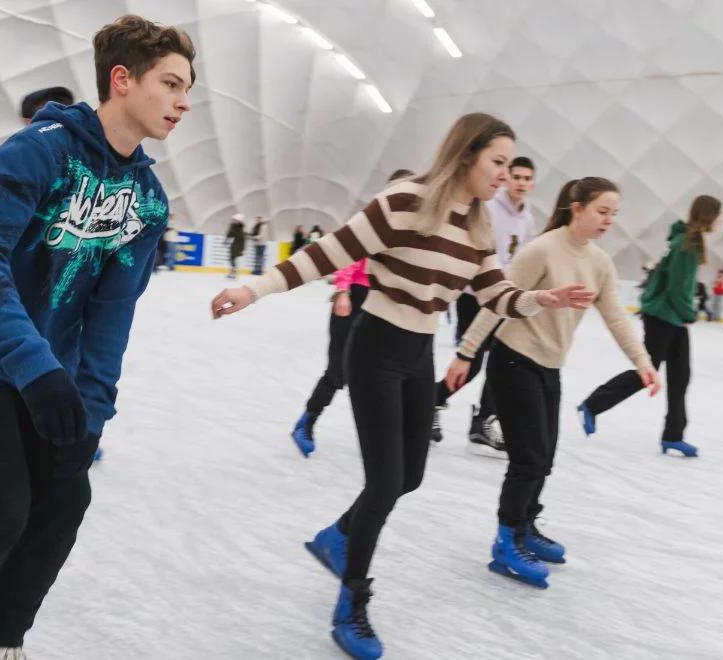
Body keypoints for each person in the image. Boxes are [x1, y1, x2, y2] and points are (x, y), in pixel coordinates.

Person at [210, 113, 592, 660]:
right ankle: (353, 602)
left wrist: (541, 300)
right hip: (375, 347)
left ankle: (338, 536)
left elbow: (495, 294)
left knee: (409, 476)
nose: (506, 176)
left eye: (511, 165)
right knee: (386, 481)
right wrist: (256, 289)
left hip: (418, 354)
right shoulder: (404, 202)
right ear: (466, 156)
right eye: (498, 163)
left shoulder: (478, 225)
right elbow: (329, 252)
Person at [0, 15, 195, 659]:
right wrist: (33, 365)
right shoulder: (40, 150)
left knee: (64, 501)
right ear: (122, 80)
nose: (183, 101)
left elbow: (112, 315)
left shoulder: (145, 200)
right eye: (170, 83)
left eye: (186, 87)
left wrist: (91, 410)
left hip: (46, 372)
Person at [446, 177, 661, 587]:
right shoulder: (542, 249)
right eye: (602, 211)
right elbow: (496, 301)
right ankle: (506, 542)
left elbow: (616, 316)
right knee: (528, 459)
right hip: (513, 361)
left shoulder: (599, 261)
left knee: (543, 456)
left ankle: (525, 526)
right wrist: (466, 352)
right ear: (576, 208)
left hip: (549, 366)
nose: (608, 220)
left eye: (614, 213)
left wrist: (642, 362)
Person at [576, 195, 723, 458]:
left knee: (680, 376)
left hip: (671, 317)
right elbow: (677, 288)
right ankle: (592, 405)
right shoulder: (687, 245)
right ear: (709, 215)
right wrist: (690, 313)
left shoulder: (688, 241)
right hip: (664, 317)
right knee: (647, 371)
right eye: (718, 215)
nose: (721, 221)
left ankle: (673, 436)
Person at [290, 169, 415, 457]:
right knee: (338, 371)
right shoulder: (372, 220)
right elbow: (349, 256)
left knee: (383, 373)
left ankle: (386, 436)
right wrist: (343, 290)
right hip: (353, 298)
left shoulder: (411, 233)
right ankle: (307, 420)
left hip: (384, 304)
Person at [433, 155, 538, 454]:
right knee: (475, 360)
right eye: (516, 176)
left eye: (526, 178)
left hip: (504, 296)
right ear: (506, 178)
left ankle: (483, 420)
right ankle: (432, 401)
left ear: (532, 183)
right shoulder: (489, 208)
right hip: (475, 295)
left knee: (504, 361)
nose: (520, 183)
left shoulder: (527, 218)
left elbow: (524, 258)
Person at [225, 212, 246, 278]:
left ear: (238, 221)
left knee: (232, 258)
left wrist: (242, 249)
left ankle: (234, 272)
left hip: (238, 245)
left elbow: (239, 237)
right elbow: (229, 234)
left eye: (234, 220)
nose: (233, 221)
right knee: (232, 258)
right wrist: (226, 239)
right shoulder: (234, 226)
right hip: (235, 244)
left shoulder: (239, 228)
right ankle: (233, 272)